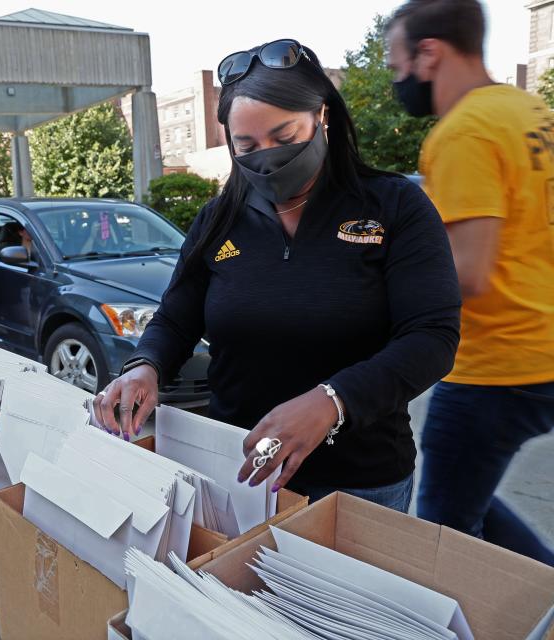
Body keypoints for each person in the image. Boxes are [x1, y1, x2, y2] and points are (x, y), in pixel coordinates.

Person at [92, 38, 461, 512]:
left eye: (285, 138)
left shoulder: (394, 207)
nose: (267, 157)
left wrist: (333, 401)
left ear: (321, 116)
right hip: (239, 469)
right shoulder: (218, 219)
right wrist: (146, 365)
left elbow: (432, 337)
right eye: (247, 146)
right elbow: (177, 319)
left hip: (357, 481)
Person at [388, 0, 554, 564]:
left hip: (499, 364)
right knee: (466, 501)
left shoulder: (463, 133)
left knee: (440, 531)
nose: (397, 79)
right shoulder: (531, 112)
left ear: (428, 53)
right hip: (544, 343)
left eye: (396, 64)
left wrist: (383, 279)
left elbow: (468, 271)